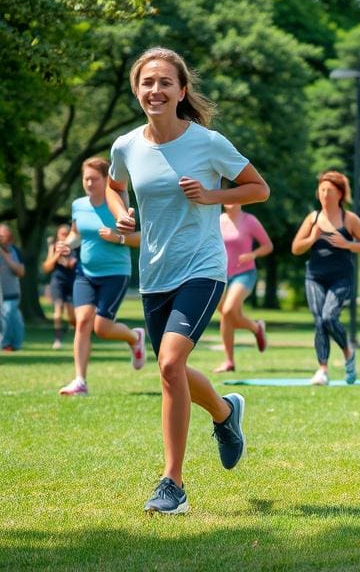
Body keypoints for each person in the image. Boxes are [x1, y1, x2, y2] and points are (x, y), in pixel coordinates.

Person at [106, 46, 270, 514]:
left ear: (181, 91)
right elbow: (115, 189)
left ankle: (172, 483)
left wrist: (211, 195)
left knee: (171, 363)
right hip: (154, 274)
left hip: (202, 268)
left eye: (164, 83)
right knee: (169, 368)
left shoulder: (207, 143)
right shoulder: (126, 146)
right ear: (137, 90)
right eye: (147, 83)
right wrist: (121, 216)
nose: (155, 90)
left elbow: (259, 188)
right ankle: (225, 411)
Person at [57, 157, 146, 397]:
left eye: (94, 179)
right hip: (85, 272)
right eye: (85, 178)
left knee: (103, 328)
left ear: (107, 180)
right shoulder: (78, 204)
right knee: (83, 322)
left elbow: (141, 239)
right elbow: (76, 233)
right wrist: (66, 245)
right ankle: (80, 381)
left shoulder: (119, 204)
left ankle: (134, 336)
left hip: (115, 272)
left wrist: (116, 237)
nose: (88, 183)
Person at [291, 170, 360, 386]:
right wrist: (312, 237)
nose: (325, 194)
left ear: (340, 194)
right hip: (315, 277)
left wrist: (348, 244)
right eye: (322, 190)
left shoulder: (349, 219)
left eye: (329, 190)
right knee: (319, 320)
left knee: (329, 317)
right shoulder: (313, 218)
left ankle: (348, 353)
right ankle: (323, 370)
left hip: (341, 279)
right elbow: (296, 248)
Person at [213, 204, 273, 373]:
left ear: (241, 201)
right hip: (221, 274)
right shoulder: (218, 220)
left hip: (244, 273)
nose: (231, 202)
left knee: (228, 310)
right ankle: (231, 359)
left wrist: (253, 254)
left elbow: (268, 245)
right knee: (229, 316)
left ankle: (231, 358)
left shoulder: (250, 221)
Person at [43, 225, 78, 349]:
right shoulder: (53, 248)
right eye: (61, 234)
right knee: (57, 312)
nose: (63, 236)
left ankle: (77, 339)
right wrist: (57, 253)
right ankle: (58, 339)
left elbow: (72, 265)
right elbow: (46, 267)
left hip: (72, 282)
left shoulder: (74, 248)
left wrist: (68, 256)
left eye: (66, 234)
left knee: (72, 316)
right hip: (57, 282)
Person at [0, 224, 26, 352]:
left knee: (11, 317)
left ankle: (9, 345)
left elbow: (21, 272)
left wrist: (4, 256)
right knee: (12, 319)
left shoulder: (15, 251)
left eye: (3, 236)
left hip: (11, 293)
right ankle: (10, 344)